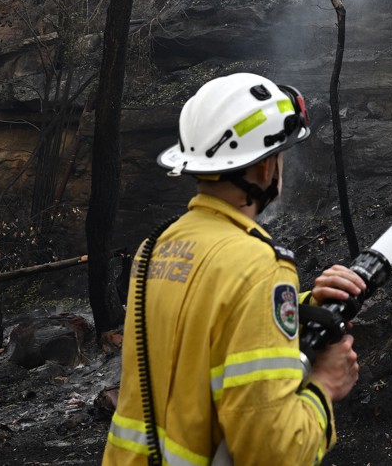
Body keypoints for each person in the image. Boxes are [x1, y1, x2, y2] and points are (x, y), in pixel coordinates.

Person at [103, 73, 364, 466]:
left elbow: (203, 328)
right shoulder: (259, 266)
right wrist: (324, 387)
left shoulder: (155, 247)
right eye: (280, 156)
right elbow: (272, 453)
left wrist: (303, 307)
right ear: (264, 169)